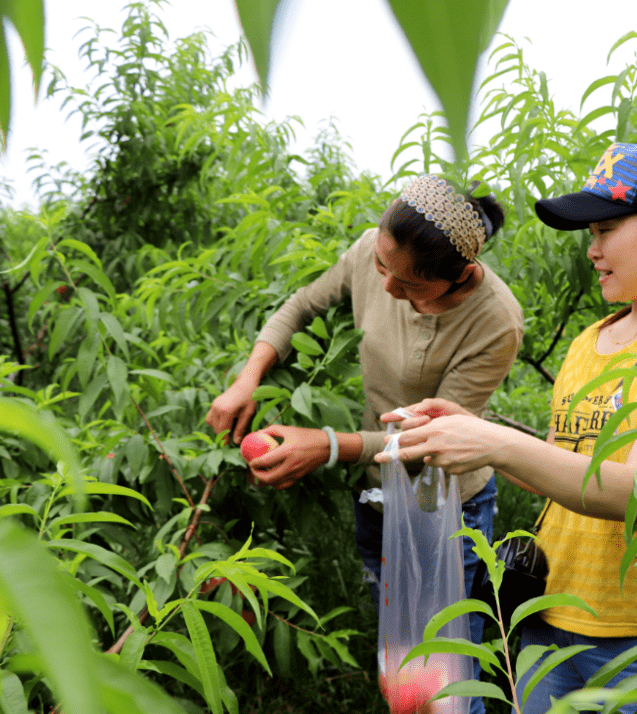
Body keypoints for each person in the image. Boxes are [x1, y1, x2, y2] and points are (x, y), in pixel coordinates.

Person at [377, 143, 637, 714]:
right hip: (545, 624)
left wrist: (495, 442)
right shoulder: (588, 342)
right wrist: (466, 430)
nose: (593, 251)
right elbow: (557, 472)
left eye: (604, 231)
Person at [206, 174, 524, 714]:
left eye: (409, 285)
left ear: (461, 277)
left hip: (451, 505)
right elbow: (300, 306)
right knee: (403, 669)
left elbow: (436, 441)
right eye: (381, 266)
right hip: (379, 495)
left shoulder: (495, 320)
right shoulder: (371, 255)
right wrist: (248, 377)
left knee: (446, 673)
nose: (387, 289)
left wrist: (328, 446)